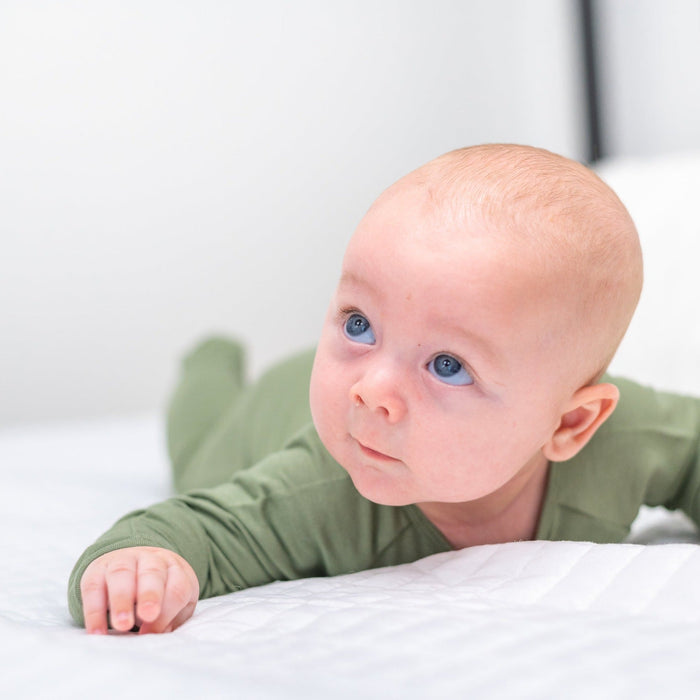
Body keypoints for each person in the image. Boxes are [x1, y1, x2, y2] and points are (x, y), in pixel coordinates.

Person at [68, 144, 700, 635]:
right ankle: (210, 362)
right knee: (198, 439)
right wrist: (138, 568)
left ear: (570, 426)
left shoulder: (628, 439)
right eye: (358, 323)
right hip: (264, 414)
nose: (370, 390)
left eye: (448, 366)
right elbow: (188, 531)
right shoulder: (317, 490)